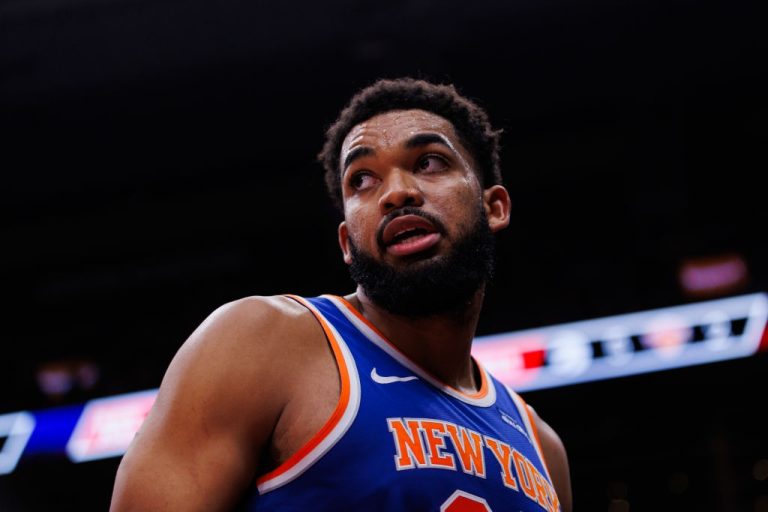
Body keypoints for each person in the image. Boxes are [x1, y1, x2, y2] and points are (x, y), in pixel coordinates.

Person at [110, 78, 572, 512]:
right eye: (363, 180)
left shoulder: (542, 447)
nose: (397, 193)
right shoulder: (262, 341)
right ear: (347, 243)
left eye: (429, 162)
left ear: (494, 207)